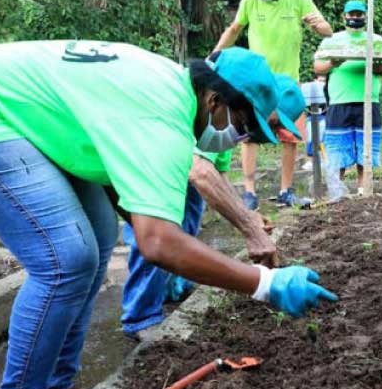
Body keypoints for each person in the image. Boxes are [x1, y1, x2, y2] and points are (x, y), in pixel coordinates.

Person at [0, 41, 337, 389]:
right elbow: (157, 243)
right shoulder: (161, 117)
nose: (240, 138)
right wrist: (267, 284)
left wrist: (172, 245)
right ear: (215, 100)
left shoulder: (168, 91)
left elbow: (127, 195)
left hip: (32, 123)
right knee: (66, 260)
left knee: (98, 236)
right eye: (243, 125)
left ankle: (54, 385)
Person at [118, 71, 305, 343]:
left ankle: (173, 286)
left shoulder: (234, 125)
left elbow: (219, 176)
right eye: (275, 124)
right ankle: (141, 315)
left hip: (188, 176)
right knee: (157, 238)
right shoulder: (219, 115)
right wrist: (249, 227)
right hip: (166, 169)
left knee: (186, 228)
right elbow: (200, 172)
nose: (273, 133)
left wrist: (244, 212)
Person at [213, 0, 333, 209]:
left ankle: (286, 191)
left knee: (290, 136)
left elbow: (327, 31)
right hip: (255, 84)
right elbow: (234, 29)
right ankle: (249, 193)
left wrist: (318, 25)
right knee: (248, 136)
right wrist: (215, 54)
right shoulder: (250, 0)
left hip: (288, 83)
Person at [313, 0, 382, 195]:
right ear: (344, 17)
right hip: (340, 100)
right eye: (352, 15)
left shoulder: (376, 40)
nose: (355, 18)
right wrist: (334, 62)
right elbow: (317, 67)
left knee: (366, 146)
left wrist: (378, 66)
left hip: (368, 100)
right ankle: (337, 190)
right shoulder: (332, 40)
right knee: (338, 146)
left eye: (359, 15)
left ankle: (363, 189)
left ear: (365, 17)